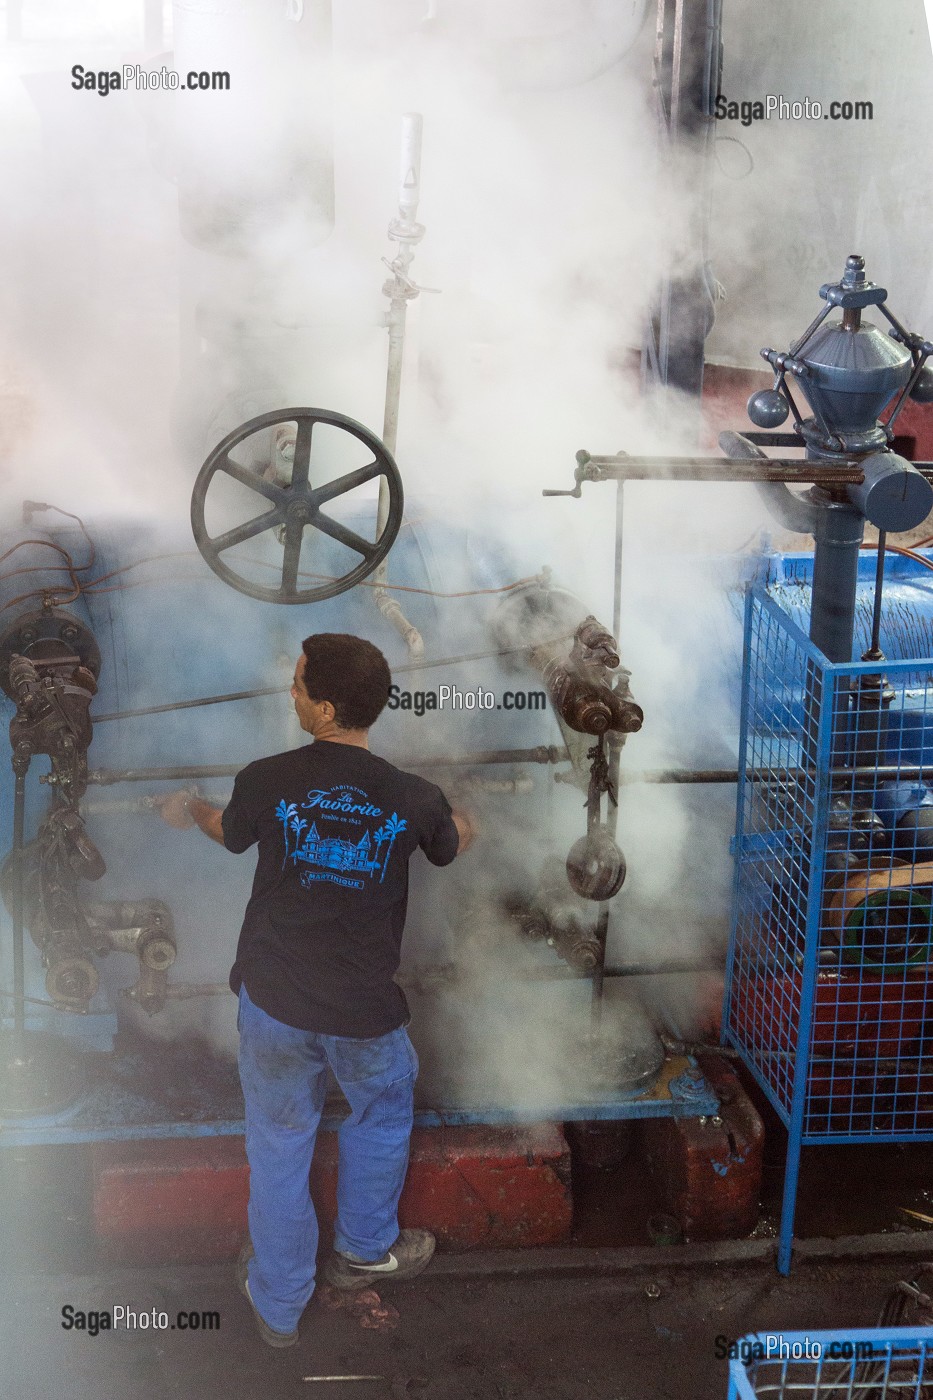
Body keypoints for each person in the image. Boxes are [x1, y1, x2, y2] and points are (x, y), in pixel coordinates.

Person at [157, 633, 473, 1348]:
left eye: (298, 685)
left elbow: (228, 833)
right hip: (364, 1014)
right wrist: (470, 821)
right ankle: (364, 1251)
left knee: (278, 1143)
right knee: (382, 1113)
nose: (290, 693)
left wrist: (186, 810)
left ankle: (277, 1305)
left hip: (273, 1003)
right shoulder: (414, 797)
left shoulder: (266, 778)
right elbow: (449, 841)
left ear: (324, 706)